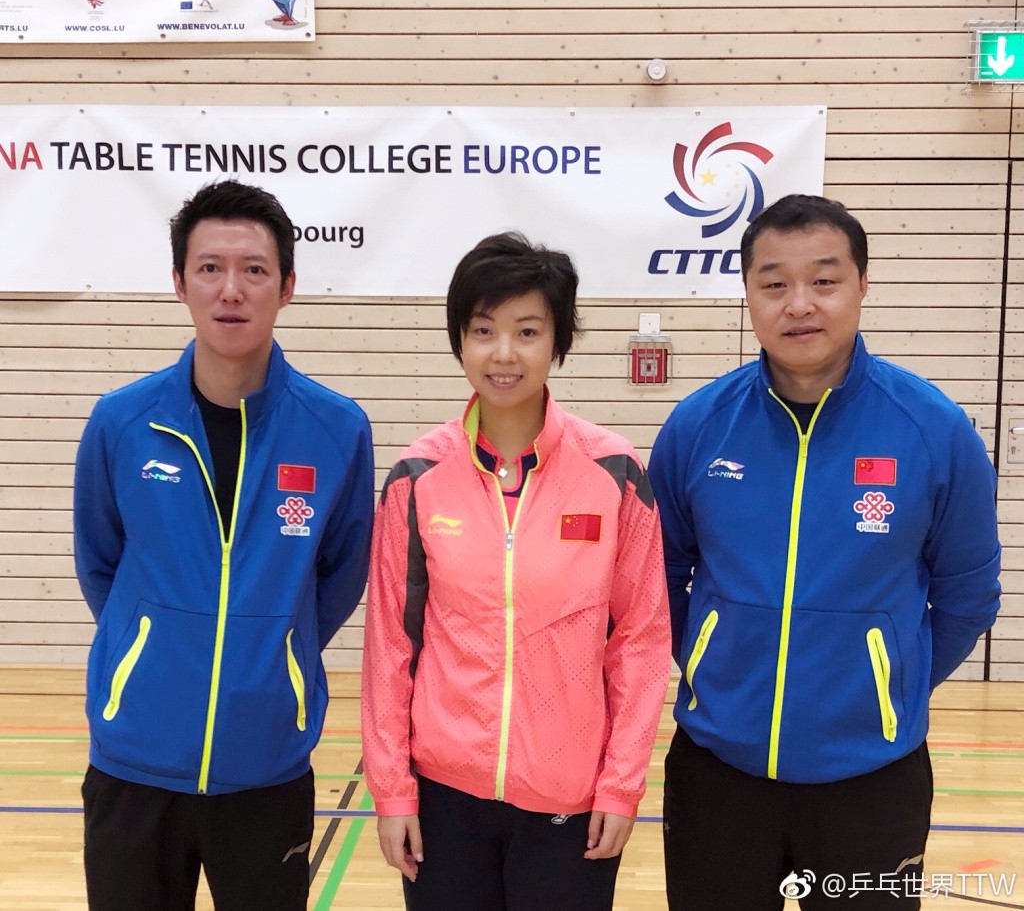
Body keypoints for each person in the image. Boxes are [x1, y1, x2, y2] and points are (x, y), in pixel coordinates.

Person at [648, 194, 1001, 911]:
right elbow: (659, 577)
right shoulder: (697, 427)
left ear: (862, 285)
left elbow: (968, 594)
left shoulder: (933, 430)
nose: (800, 304)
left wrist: (889, 683)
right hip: (717, 771)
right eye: (775, 283)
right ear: (748, 293)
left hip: (873, 781)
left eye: (825, 280)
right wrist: (713, 666)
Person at [73, 180, 374, 909]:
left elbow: (341, 574)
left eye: (254, 270)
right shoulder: (121, 422)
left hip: (267, 769)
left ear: (287, 286)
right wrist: (153, 644)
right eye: (210, 268)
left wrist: (271, 651)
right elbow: (100, 562)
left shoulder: (337, 429)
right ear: (180, 283)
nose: (231, 289)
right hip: (133, 764)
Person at [361, 232, 671, 911]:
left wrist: (621, 784)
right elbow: (390, 646)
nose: (503, 353)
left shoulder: (614, 474)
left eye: (527, 331)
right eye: (483, 330)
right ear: (460, 340)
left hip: (570, 799)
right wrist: (392, 791)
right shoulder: (418, 475)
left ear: (557, 342)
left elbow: (641, 643)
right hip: (444, 799)